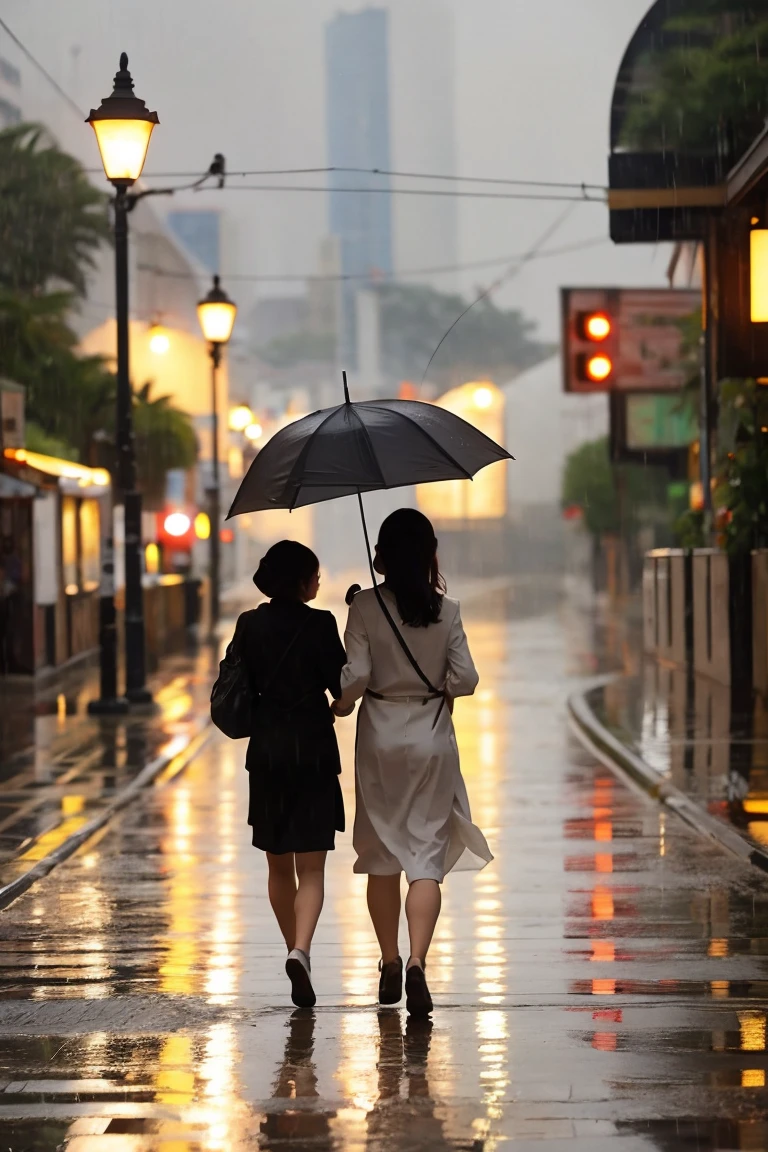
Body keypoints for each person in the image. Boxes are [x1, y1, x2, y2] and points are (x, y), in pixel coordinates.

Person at [333, 509, 492, 1016]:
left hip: (378, 737)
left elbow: (353, 680)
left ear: (381, 552)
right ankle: (420, 962)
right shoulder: (448, 610)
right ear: (429, 554)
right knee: (425, 857)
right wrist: (439, 689)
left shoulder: (363, 607)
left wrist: (339, 699)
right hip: (431, 737)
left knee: (381, 855)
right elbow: (466, 678)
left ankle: (389, 961)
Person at [231, 540, 347, 1008]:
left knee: (278, 866)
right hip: (314, 751)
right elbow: (342, 686)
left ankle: (295, 952)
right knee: (313, 869)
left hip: (269, 754)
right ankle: (301, 948)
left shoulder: (249, 625)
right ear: (301, 582)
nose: (319, 582)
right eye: (314, 575)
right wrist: (341, 704)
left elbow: (238, 682)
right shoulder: (321, 624)